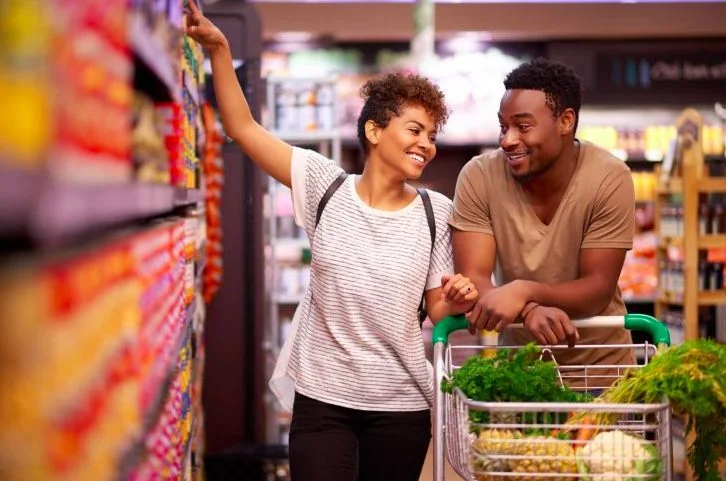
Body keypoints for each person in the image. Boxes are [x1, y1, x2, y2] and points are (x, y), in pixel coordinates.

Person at [184, 3, 479, 480]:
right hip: (323, 401)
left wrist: (458, 296)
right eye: (415, 130)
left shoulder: (435, 212)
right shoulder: (326, 186)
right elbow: (243, 128)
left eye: (432, 134)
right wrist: (219, 49)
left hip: (400, 405)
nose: (428, 144)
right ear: (375, 131)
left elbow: (437, 310)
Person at [449, 58, 636, 388]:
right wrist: (531, 310)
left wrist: (524, 291)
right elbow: (475, 280)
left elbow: (597, 288)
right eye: (503, 126)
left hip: (603, 375)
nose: (507, 139)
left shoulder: (609, 177)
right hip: (521, 376)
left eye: (522, 126)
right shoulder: (479, 176)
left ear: (565, 121)